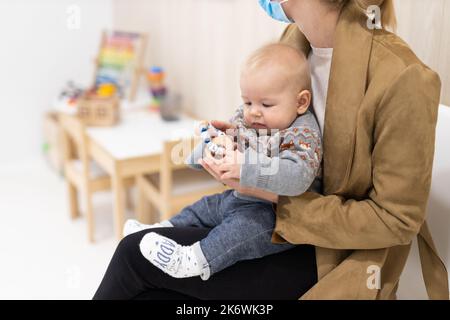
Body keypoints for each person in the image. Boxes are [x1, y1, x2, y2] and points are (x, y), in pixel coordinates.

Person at [94, 0, 448, 300]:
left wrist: (271, 190)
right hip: (261, 215)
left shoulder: (403, 78)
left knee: (134, 255)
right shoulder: (294, 44)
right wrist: (236, 140)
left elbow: (397, 221)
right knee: (148, 275)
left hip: (328, 251)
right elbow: (274, 128)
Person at [122, 43, 322, 283]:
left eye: (266, 105)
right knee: (202, 207)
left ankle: (192, 260)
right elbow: (224, 143)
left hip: (273, 213)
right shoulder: (248, 120)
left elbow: (296, 176)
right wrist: (210, 146)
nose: (254, 112)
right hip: (237, 197)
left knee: (239, 232)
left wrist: (244, 165)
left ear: (300, 102)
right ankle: (160, 229)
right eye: (248, 102)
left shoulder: (301, 133)